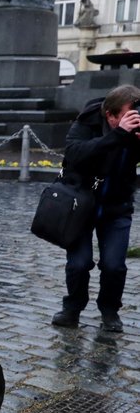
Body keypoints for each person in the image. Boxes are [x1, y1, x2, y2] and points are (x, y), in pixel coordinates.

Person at [51, 84, 140, 333]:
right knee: (79, 263)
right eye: (127, 114)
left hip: (117, 206)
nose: (134, 118)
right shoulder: (86, 123)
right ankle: (72, 308)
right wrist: (118, 135)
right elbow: (75, 154)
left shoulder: (136, 130)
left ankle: (109, 310)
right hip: (80, 205)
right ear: (110, 115)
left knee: (114, 265)